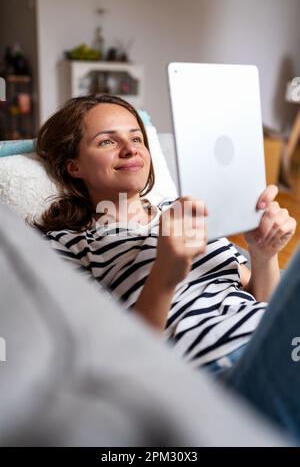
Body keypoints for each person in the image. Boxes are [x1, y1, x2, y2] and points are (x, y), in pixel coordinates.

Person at [34, 94, 300, 438]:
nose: (130, 150)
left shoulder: (188, 210)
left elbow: (262, 301)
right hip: (221, 373)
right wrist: (165, 273)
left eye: (136, 138)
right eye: (107, 141)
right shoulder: (68, 243)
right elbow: (113, 356)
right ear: (75, 167)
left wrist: (263, 254)